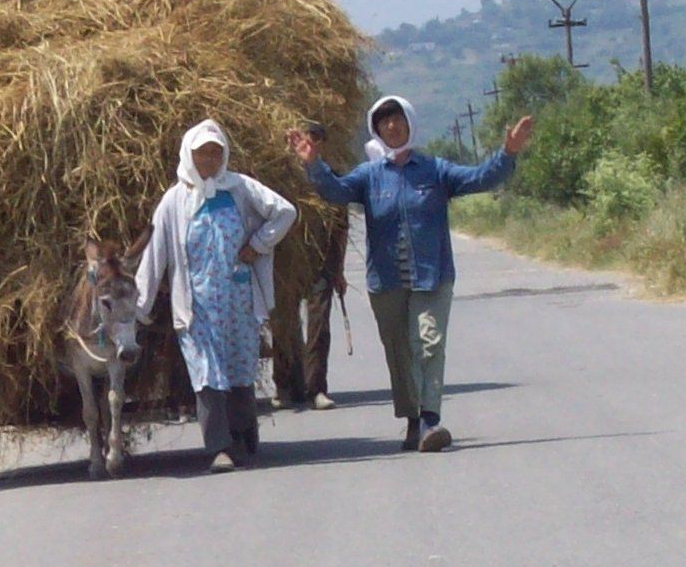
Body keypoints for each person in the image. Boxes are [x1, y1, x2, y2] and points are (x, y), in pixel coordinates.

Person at [287, 96, 533, 452]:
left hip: (432, 276)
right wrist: (314, 164)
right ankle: (413, 420)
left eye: (397, 119)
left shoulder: (434, 170)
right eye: (384, 121)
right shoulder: (370, 175)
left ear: (410, 123)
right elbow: (335, 191)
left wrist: (507, 153)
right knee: (399, 353)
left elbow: (481, 177)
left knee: (429, 343)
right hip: (386, 282)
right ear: (376, 129)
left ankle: (431, 419)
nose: (392, 126)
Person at [137, 119, 297, 473]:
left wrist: (258, 244)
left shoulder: (239, 188)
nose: (209, 159)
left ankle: (243, 433)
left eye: (215, 152)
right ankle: (219, 447)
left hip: (239, 299)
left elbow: (285, 212)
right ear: (189, 155)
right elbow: (156, 253)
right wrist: (140, 305)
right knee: (207, 373)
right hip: (197, 307)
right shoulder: (174, 201)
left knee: (240, 366)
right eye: (202, 153)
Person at [271, 123, 349, 411]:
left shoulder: (332, 180)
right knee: (283, 324)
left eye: (316, 138)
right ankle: (285, 385)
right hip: (286, 263)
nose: (311, 142)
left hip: (320, 263)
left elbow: (340, 229)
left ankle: (316, 388)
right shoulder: (282, 179)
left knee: (319, 326)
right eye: (306, 137)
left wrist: (338, 270)